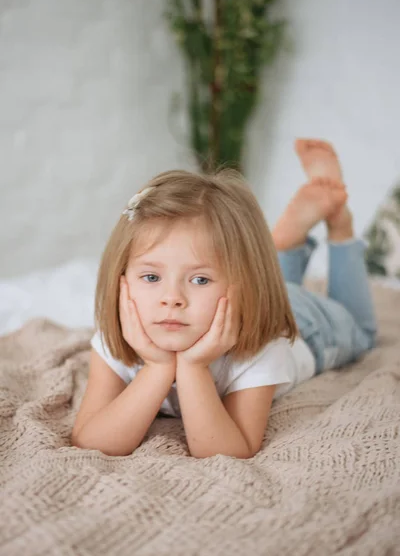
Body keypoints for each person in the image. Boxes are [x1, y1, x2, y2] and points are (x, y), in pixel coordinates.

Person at [71, 139, 377, 459]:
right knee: (276, 284)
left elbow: (231, 450)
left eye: (200, 279)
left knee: (363, 333)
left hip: (308, 328)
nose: (172, 298)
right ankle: (284, 246)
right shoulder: (116, 338)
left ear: (242, 285)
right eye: (151, 277)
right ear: (121, 282)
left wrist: (192, 367)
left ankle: (340, 227)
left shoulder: (261, 348)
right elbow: (91, 440)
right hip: (244, 295)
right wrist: (158, 367)